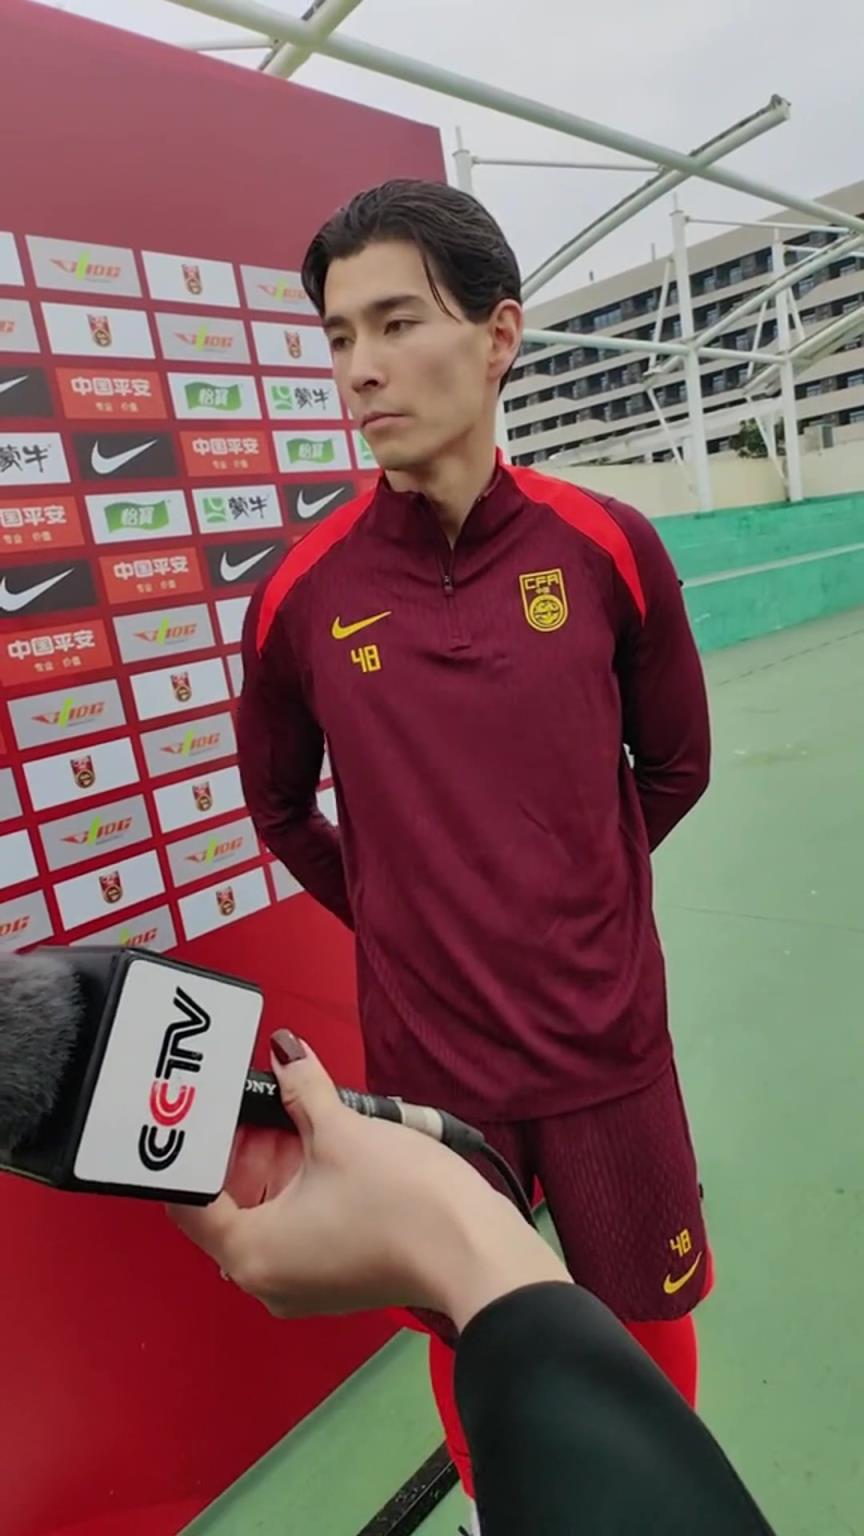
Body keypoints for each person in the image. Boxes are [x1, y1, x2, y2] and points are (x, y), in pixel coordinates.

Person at [237, 179, 712, 1531]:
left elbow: (676, 766)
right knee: (473, 1322)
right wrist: (404, 912)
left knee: (642, 1324)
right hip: (434, 1062)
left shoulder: (608, 546)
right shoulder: (301, 593)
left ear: (499, 335)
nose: (361, 368)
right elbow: (281, 809)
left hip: (606, 1039)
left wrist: (575, 888)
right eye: (340, 336)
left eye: (397, 323)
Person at [170, 1033, 775, 1536]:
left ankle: (658, 1453)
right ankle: (491, 1510)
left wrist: (450, 1241)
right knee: (457, 1330)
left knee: (647, 1292)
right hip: (436, 1029)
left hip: (604, 1017)